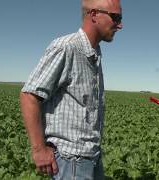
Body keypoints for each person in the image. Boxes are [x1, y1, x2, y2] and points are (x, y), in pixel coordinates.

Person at [20, 0, 123, 179]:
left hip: (92, 156)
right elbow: (30, 95)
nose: (120, 24)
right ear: (94, 15)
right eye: (115, 17)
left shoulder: (94, 52)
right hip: (71, 161)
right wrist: (39, 149)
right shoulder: (66, 47)